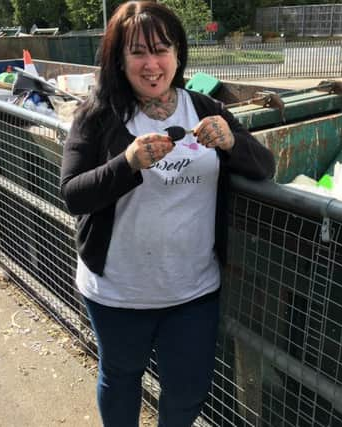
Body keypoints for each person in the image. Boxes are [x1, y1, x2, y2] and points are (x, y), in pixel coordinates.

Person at [59, 2, 275, 426]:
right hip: (118, 290)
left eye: (162, 49)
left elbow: (264, 167)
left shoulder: (205, 108)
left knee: (188, 389)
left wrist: (232, 142)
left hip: (192, 289)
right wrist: (127, 163)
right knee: (121, 378)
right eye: (138, 52)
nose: (152, 63)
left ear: (179, 54)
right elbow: (72, 195)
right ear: (119, 61)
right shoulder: (98, 115)